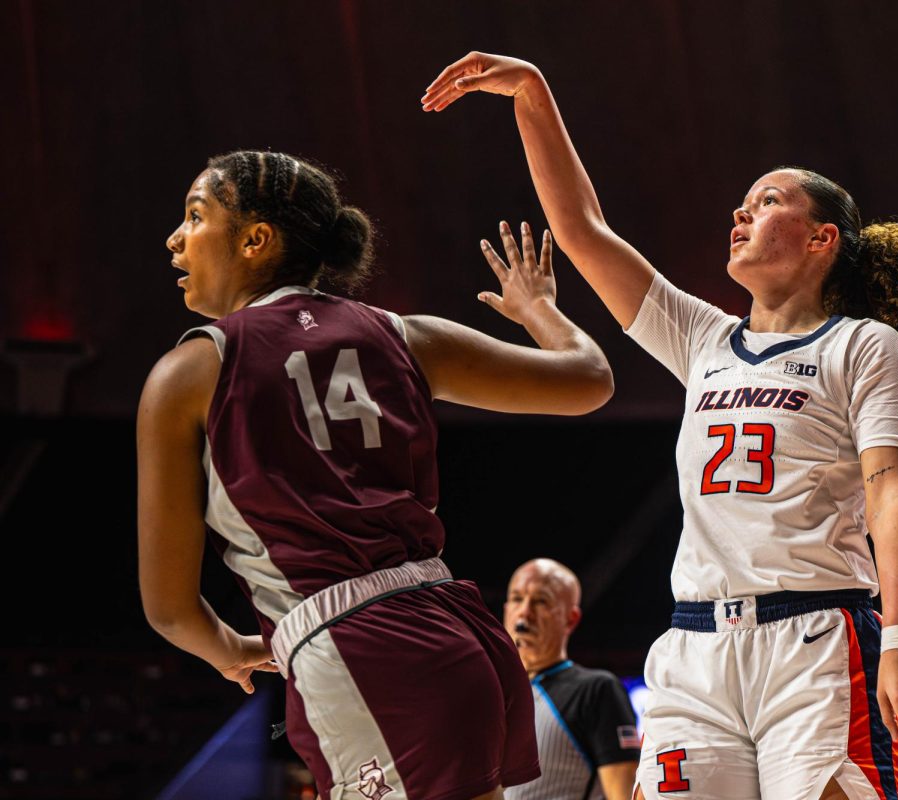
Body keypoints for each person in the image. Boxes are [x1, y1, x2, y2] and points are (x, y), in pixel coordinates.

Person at [422, 55, 898, 800]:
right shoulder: (703, 339)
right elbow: (582, 229)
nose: (740, 214)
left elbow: (893, 499)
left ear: (822, 240)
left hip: (817, 642)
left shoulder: (862, 345)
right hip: (695, 648)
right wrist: (531, 91)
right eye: (742, 204)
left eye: (766, 201)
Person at [138, 150, 614, 800]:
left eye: (195, 216)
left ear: (255, 240)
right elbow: (590, 380)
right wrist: (539, 310)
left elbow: (168, 609)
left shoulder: (188, 372)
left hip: (358, 652)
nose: (175, 237)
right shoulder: (404, 335)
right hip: (458, 628)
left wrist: (230, 648)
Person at [503, 558, 640, 800]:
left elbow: (624, 796)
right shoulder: (490, 692)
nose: (524, 612)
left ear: (571, 618)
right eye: (516, 598)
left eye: (541, 601)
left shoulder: (596, 690)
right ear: (506, 610)